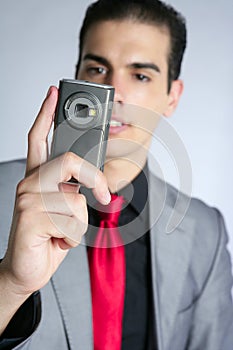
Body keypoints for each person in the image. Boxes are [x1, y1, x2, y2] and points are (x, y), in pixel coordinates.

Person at [0, 0, 233, 349]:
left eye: (140, 75)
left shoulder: (205, 233)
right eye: (96, 69)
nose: (113, 94)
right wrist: (11, 284)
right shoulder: (5, 195)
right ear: (76, 78)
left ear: (172, 96)